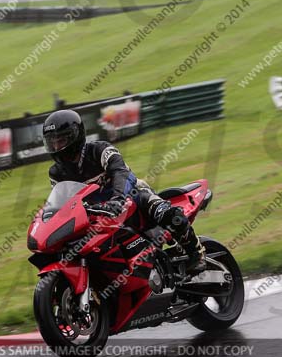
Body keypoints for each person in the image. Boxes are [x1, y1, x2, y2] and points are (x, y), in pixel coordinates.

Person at [42, 108, 207, 274]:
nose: (56, 146)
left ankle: (197, 253)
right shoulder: (56, 173)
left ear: (75, 136)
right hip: (96, 213)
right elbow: (62, 202)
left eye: (61, 141)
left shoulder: (101, 150)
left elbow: (121, 173)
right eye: (52, 142)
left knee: (165, 212)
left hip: (130, 195)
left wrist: (118, 198)